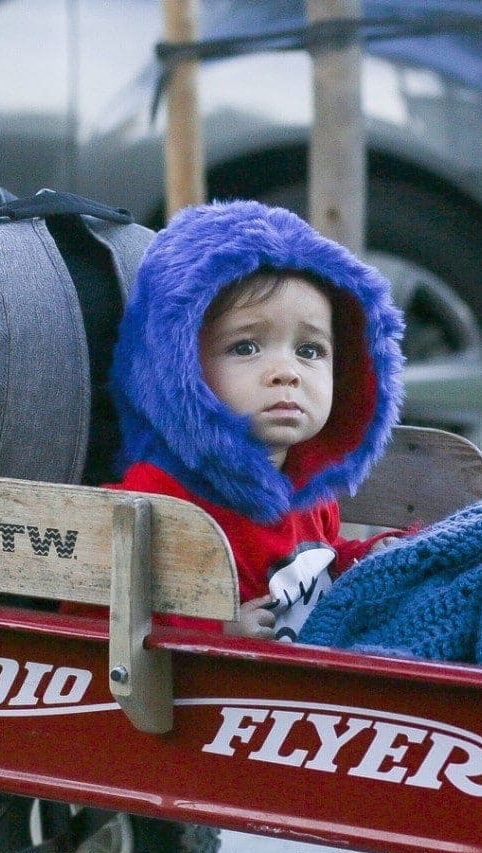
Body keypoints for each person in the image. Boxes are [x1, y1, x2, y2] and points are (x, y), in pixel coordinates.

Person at [100, 199, 406, 640]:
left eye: (310, 350)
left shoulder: (308, 487)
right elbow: (90, 609)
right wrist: (214, 631)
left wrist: (366, 557)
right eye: (246, 347)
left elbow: (312, 569)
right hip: (207, 700)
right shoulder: (157, 497)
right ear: (178, 367)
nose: (288, 372)